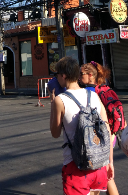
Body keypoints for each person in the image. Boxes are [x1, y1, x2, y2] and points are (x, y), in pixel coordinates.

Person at [50, 56, 114, 195]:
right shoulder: (94, 96)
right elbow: (106, 129)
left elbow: (55, 133)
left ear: (63, 75)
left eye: (57, 75)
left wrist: (52, 106)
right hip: (98, 165)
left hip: (75, 166)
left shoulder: (60, 100)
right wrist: (109, 161)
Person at [80, 61, 120, 195]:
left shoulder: (88, 93)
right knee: (107, 174)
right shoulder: (105, 89)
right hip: (111, 135)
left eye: (81, 74)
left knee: (97, 178)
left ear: (90, 75)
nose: (79, 77)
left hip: (97, 139)